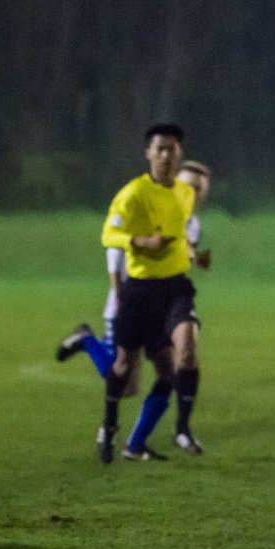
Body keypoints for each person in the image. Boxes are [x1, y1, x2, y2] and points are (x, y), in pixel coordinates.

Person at [60, 159, 211, 460]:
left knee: (167, 374)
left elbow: (178, 251)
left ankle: (137, 444)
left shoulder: (192, 224)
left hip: (162, 307)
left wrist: (194, 258)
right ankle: (87, 341)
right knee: (127, 382)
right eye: (189, 185)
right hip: (128, 302)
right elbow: (116, 248)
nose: (193, 192)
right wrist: (118, 295)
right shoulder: (147, 206)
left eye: (200, 188)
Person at [90, 123, 199, 464]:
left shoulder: (186, 193)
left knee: (184, 353)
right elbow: (108, 234)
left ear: (180, 153)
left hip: (175, 288)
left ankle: (182, 428)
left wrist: (192, 254)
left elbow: (179, 236)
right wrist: (140, 242)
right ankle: (110, 425)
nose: (166, 154)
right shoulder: (133, 193)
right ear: (148, 153)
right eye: (160, 149)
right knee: (124, 365)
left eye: (172, 148)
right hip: (140, 291)